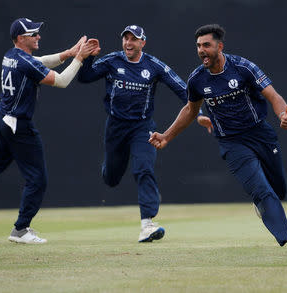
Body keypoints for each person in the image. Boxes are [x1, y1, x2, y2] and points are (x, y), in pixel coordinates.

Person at [149, 24, 287, 262]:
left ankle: (264, 205)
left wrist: (282, 115)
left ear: (219, 46)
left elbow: (273, 95)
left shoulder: (243, 68)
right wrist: (166, 135)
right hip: (231, 143)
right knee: (262, 190)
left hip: (260, 134)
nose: (202, 50)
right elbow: (189, 110)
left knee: (278, 190)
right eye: (198, 46)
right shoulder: (197, 79)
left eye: (207, 45)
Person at [0, 17, 99, 244]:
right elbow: (62, 81)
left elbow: (39, 62)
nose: (38, 36)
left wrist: (69, 53)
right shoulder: (25, 61)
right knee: (38, 179)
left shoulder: (11, 55)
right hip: (18, 125)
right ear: (21, 38)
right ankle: (21, 229)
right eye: (33, 34)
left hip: (2, 118)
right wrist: (80, 58)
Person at [77, 25, 211, 242]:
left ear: (143, 43)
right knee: (111, 178)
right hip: (116, 127)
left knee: (143, 168)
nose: (129, 43)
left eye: (134, 39)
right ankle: (112, 171)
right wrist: (88, 58)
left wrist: (199, 114)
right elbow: (84, 77)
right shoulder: (112, 60)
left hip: (143, 127)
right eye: (126, 39)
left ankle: (147, 224)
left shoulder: (153, 65)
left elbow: (181, 88)